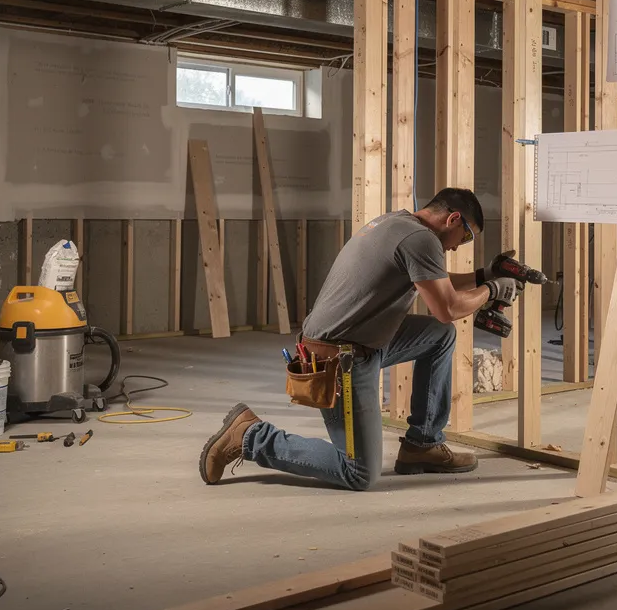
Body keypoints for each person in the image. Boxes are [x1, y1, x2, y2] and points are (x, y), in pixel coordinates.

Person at [198, 188, 526, 491]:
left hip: (355, 340)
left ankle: (421, 445)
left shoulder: (397, 223)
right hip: (340, 358)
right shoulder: (422, 241)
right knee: (359, 473)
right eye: (465, 237)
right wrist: (492, 291)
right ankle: (250, 437)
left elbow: (434, 280)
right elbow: (448, 306)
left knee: (438, 336)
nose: (457, 246)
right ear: (453, 219)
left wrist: (485, 275)